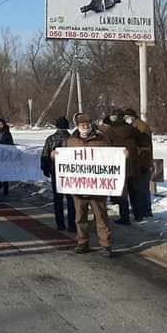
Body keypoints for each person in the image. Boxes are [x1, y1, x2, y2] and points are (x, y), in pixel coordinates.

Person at [68, 113, 114, 258]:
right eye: (82, 125)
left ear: (91, 125)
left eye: (87, 124)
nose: (85, 127)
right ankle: (82, 242)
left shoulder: (102, 139)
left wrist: (122, 155)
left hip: (97, 187)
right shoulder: (71, 140)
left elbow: (112, 156)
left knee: (100, 216)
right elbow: (67, 160)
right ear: (77, 126)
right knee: (80, 216)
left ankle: (105, 244)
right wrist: (55, 155)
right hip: (78, 186)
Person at [103, 108, 140, 224]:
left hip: (118, 164)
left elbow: (107, 148)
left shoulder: (110, 131)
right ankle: (138, 214)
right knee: (133, 191)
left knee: (122, 193)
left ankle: (125, 217)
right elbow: (138, 144)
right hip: (132, 163)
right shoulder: (132, 130)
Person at [40, 117, 75, 232]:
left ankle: (60, 224)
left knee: (58, 199)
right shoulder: (72, 139)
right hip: (71, 171)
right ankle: (72, 224)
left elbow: (45, 154)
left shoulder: (51, 139)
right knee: (71, 199)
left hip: (56, 171)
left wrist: (45, 168)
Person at [125, 108, 154, 218]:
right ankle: (143, 210)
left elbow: (144, 146)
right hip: (141, 161)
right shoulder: (136, 125)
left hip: (143, 162)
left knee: (142, 188)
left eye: (127, 117)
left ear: (132, 117)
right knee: (140, 188)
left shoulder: (141, 127)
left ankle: (145, 210)